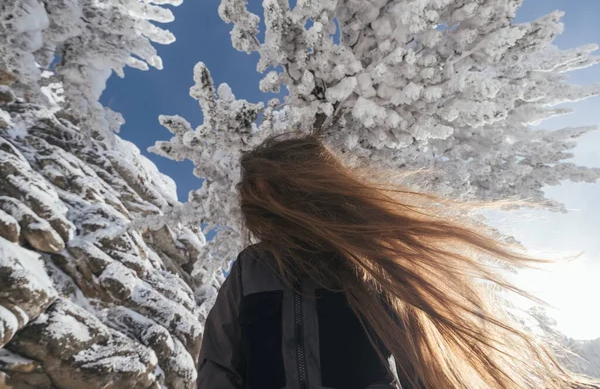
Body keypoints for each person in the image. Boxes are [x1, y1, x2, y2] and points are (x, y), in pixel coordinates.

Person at [197, 133, 597, 389]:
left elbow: (417, 359)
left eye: (278, 192)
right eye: (261, 197)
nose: (272, 206)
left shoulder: (368, 258)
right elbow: (220, 359)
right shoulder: (251, 267)